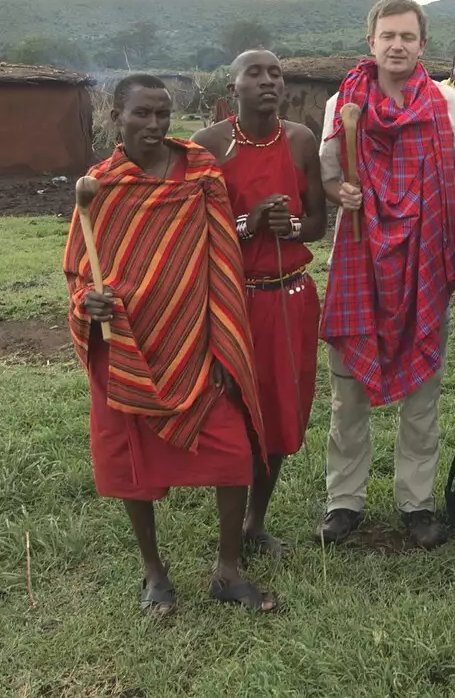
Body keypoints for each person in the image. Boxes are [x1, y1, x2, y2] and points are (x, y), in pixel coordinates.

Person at [64, 74, 278, 615]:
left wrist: (225, 343)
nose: (154, 125)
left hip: (199, 342)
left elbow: (222, 258)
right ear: (117, 117)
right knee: (134, 464)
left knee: (233, 456)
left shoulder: (201, 174)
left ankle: (228, 570)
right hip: (129, 348)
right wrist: (87, 301)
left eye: (162, 114)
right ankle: (154, 573)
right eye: (142, 114)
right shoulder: (99, 186)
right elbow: (78, 268)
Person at [317, 0, 455, 548]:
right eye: (388, 36)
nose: (397, 45)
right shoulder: (344, 103)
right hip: (360, 261)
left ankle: (418, 503)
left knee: (422, 399)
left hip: (425, 262)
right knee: (348, 396)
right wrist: (341, 191)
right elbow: (328, 177)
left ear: (422, 44)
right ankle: (344, 502)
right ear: (371, 42)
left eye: (408, 37)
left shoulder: (445, 104)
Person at [193, 50, 328, 560]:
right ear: (233, 89)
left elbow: (316, 222)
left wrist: (287, 227)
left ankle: (255, 521)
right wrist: (249, 224)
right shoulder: (208, 146)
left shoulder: (300, 140)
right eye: (255, 74)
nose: (268, 81)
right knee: (233, 415)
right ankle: (231, 525)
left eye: (276, 74)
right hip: (233, 301)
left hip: (291, 296)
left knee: (279, 413)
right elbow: (196, 231)